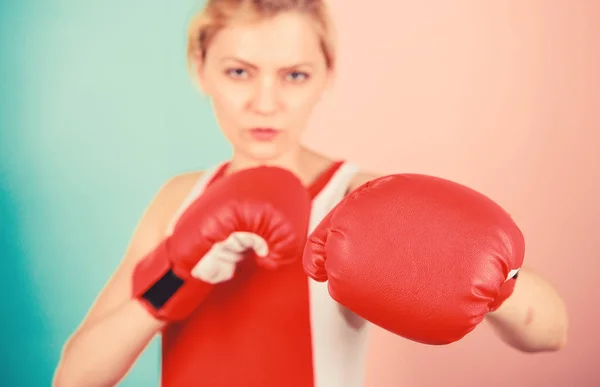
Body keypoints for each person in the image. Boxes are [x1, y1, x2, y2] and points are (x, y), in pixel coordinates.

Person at [52, 0, 569, 386]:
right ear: (199, 67)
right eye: (239, 72)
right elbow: (74, 377)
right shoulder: (179, 198)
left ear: (326, 77)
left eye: (294, 75)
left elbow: (551, 332)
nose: (266, 102)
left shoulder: (358, 196)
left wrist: (493, 282)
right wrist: (176, 273)